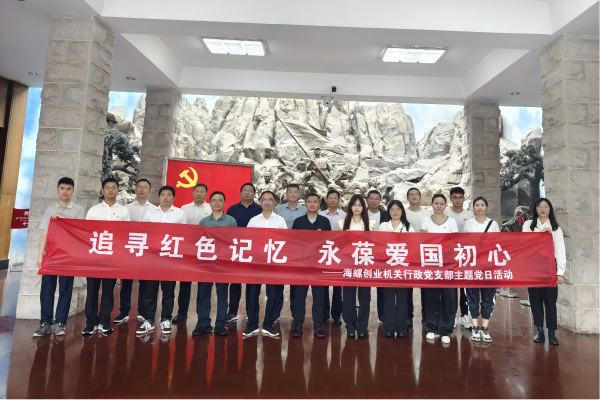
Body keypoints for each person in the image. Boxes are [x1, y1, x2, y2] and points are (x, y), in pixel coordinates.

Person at [32, 177, 85, 337]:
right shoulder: (50, 209)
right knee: (46, 290)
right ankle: (45, 323)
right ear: (57, 190)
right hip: (51, 255)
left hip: (68, 256)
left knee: (65, 290)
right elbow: (44, 233)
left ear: (72, 191)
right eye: (62, 188)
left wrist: (61, 218)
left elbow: (78, 230)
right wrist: (40, 256)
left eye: (68, 189)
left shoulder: (78, 209)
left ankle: (60, 323)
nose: (65, 191)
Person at [136, 186, 187, 336]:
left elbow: (183, 236)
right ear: (159, 197)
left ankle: (166, 319)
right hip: (152, 258)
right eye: (163, 194)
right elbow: (143, 233)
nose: (165, 197)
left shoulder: (180, 213)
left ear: (174, 197)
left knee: (168, 290)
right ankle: (149, 319)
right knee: (150, 290)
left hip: (170, 259)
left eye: (169, 195)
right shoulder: (150, 213)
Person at [84, 178, 132, 335]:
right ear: (102, 190)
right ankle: (90, 323)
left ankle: (104, 321)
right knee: (92, 291)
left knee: (108, 291)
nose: (110, 190)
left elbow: (127, 234)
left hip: (113, 259)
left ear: (118, 190)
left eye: (113, 187)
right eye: (107, 187)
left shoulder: (124, 212)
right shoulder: (93, 211)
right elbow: (86, 233)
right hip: (95, 258)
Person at [243, 191, 288, 338]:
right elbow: (247, 240)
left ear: (274, 202)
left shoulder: (280, 221)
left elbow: (286, 241)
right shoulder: (254, 221)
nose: (267, 202)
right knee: (252, 294)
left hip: (273, 264)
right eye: (264, 200)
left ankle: (268, 324)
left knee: (273, 294)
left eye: (270, 200)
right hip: (255, 263)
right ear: (260, 202)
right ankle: (253, 324)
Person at [193, 191, 238, 337]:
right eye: (214, 200)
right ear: (210, 203)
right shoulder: (204, 222)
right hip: (206, 265)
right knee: (203, 294)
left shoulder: (231, 221)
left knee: (222, 294)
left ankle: (220, 324)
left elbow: (235, 242)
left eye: (220, 200)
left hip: (223, 265)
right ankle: (204, 324)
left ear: (224, 203)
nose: (217, 203)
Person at [523, 198, 565, 346]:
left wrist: (560, 272)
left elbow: (560, 251)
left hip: (549, 266)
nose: (542, 209)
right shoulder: (528, 225)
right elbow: (525, 244)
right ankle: (539, 330)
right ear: (535, 209)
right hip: (533, 266)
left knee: (550, 301)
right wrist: (541, 234)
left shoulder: (555, 228)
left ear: (550, 209)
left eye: (545, 206)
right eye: (539, 206)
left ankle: (552, 332)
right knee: (535, 300)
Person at [115, 178, 157, 325]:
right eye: (139, 186)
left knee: (145, 282)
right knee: (126, 282)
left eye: (145, 187)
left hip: (146, 250)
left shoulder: (154, 210)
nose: (142, 189)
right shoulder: (126, 208)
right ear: (135, 190)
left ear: (149, 191)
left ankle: (143, 312)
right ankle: (124, 311)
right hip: (129, 249)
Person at [290, 193, 331, 338]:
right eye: (309, 202)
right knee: (299, 297)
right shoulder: (298, 222)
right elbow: (293, 243)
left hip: (318, 267)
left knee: (319, 297)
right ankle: (298, 324)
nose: (312, 204)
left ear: (319, 205)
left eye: (315, 202)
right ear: (305, 204)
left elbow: (329, 243)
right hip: (301, 267)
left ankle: (318, 325)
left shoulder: (324, 222)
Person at [420, 194, 459, 344]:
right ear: (431, 204)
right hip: (430, 264)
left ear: (445, 205)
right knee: (430, 296)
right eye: (436, 203)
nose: (439, 206)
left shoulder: (452, 222)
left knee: (449, 297)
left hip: (448, 265)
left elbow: (454, 243)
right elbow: (424, 242)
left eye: (442, 203)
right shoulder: (425, 220)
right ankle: (432, 327)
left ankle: (446, 329)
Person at [463, 197, 500, 343]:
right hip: (472, 265)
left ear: (487, 207)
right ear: (473, 208)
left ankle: (484, 327)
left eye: (482, 205)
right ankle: (475, 327)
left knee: (488, 297)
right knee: (472, 297)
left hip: (489, 266)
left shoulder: (493, 224)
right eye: (477, 205)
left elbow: (498, 244)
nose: (480, 207)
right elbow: (464, 244)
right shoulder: (468, 224)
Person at [174, 183, 212, 324]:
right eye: (197, 191)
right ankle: (182, 312)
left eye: (202, 191)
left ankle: (201, 314)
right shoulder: (184, 208)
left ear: (206, 194)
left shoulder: (210, 208)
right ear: (193, 192)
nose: (199, 194)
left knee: (203, 285)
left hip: (204, 250)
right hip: (188, 250)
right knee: (185, 284)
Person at [225, 183, 262, 324]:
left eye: (250, 191)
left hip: (255, 251)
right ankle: (232, 311)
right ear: (240, 193)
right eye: (245, 190)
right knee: (235, 282)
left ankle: (250, 312)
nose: (247, 193)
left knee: (252, 283)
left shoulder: (259, 209)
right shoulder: (232, 209)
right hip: (237, 250)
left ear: (254, 194)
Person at [339, 194, 375, 338]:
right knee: (348, 298)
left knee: (364, 298)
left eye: (360, 205)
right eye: (354, 205)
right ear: (350, 207)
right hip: (348, 265)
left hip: (365, 265)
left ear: (364, 207)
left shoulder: (370, 224)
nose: (357, 208)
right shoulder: (342, 223)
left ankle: (362, 327)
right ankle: (349, 326)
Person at [378, 200, 415, 338]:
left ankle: (401, 328)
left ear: (402, 211)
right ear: (388, 211)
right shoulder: (383, 226)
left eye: (398, 209)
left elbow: (413, 246)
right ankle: (388, 328)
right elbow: (378, 245)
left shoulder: (408, 227)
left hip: (403, 268)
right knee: (388, 298)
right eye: (392, 209)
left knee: (402, 299)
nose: (395, 212)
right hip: (387, 267)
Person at [274, 183, 307, 321]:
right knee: (278, 283)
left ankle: (295, 313)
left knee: (296, 284)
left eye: (295, 192)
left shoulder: (304, 210)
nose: (292, 194)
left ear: (299, 194)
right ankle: (275, 314)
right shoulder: (278, 209)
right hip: (280, 250)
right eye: (290, 192)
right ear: (286, 194)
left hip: (298, 252)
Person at [444, 187, 475, 330]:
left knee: (464, 287)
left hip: (464, 255)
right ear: (450, 198)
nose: (458, 200)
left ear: (464, 198)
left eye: (460, 197)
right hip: (448, 255)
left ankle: (464, 315)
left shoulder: (469, 215)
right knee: (450, 288)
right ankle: (450, 316)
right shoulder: (445, 213)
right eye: (455, 197)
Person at [404, 187, 431, 328]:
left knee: (425, 287)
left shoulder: (427, 213)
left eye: (416, 194)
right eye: (411, 195)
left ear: (420, 197)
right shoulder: (403, 212)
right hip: (407, 253)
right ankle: (408, 316)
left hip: (423, 253)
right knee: (407, 287)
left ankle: (426, 316)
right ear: (407, 198)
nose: (414, 196)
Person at [319, 189, 346, 325]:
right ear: (327, 200)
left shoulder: (345, 215)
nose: (333, 200)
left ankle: (336, 315)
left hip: (339, 253)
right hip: (324, 252)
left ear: (339, 201)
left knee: (337, 285)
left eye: (335, 198)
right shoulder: (320, 215)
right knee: (323, 284)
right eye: (331, 198)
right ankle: (324, 313)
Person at [366, 189, 388, 325]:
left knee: (381, 286)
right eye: (371, 198)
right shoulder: (361, 213)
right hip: (365, 253)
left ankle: (382, 315)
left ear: (380, 201)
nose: (374, 201)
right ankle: (364, 315)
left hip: (381, 254)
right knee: (364, 287)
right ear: (367, 200)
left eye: (376, 199)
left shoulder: (385, 215)